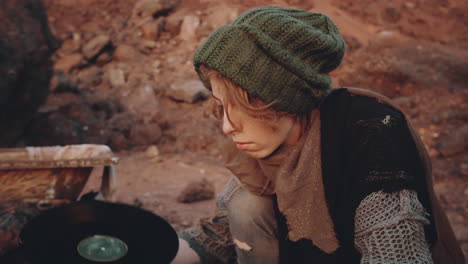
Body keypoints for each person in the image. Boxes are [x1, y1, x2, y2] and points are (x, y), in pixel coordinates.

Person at [172, 6, 464, 264]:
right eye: (222, 108)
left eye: (243, 106)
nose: (227, 127)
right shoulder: (268, 150)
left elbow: (394, 253)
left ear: (283, 98)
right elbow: (219, 234)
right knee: (246, 202)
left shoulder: (370, 132)